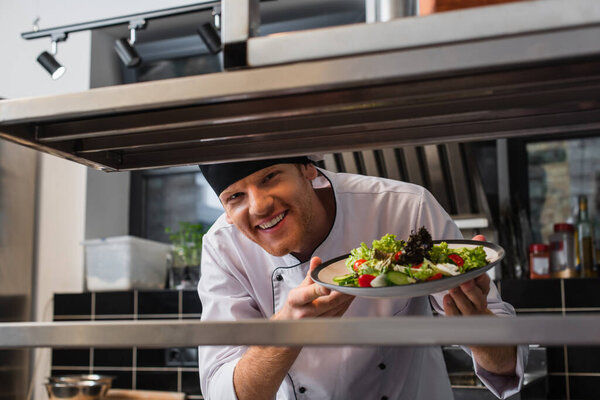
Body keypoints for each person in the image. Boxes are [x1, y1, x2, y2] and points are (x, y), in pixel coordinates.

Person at [197, 156, 528, 400]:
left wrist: (476, 326)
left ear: (307, 168)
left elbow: (505, 363)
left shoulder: (404, 208)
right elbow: (223, 392)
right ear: (225, 209)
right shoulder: (223, 248)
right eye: (235, 197)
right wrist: (287, 331)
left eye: (270, 177)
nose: (259, 206)